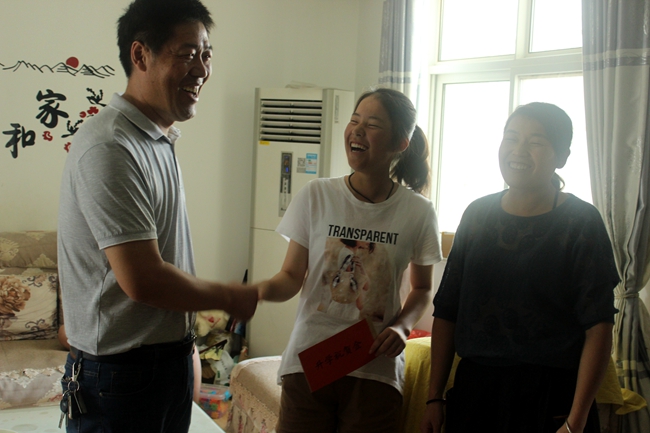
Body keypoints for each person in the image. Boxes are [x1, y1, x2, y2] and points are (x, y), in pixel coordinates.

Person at [56, 0, 258, 431]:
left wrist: (185, 349)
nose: (201, 69)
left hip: (162, 363)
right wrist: (226, 296)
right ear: (141, 55)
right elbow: (143, 279)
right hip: (121, 377)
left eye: (206, 54)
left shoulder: (156, 140)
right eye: (187, 54)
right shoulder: (111, 145)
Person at [420, 102, 619, 433]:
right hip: (476, 392)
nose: (519, 150)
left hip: (550, 397)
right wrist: (434, 397)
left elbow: (598, 327)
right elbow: (447, 310)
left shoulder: (581, 221)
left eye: (535, 141)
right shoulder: (477, 215)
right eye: (511, 138)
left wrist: (576, 421)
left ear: (562, 156)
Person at [255, 88, 443, 433]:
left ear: (400, 143)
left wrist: (402, 327)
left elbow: (422, 289)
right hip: (310, 362)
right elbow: (291, 275)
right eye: (355, 120)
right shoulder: (317, 195)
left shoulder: (418, 212)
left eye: (372, 124)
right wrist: (255, 292)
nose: (357, 130)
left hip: (375, 368)